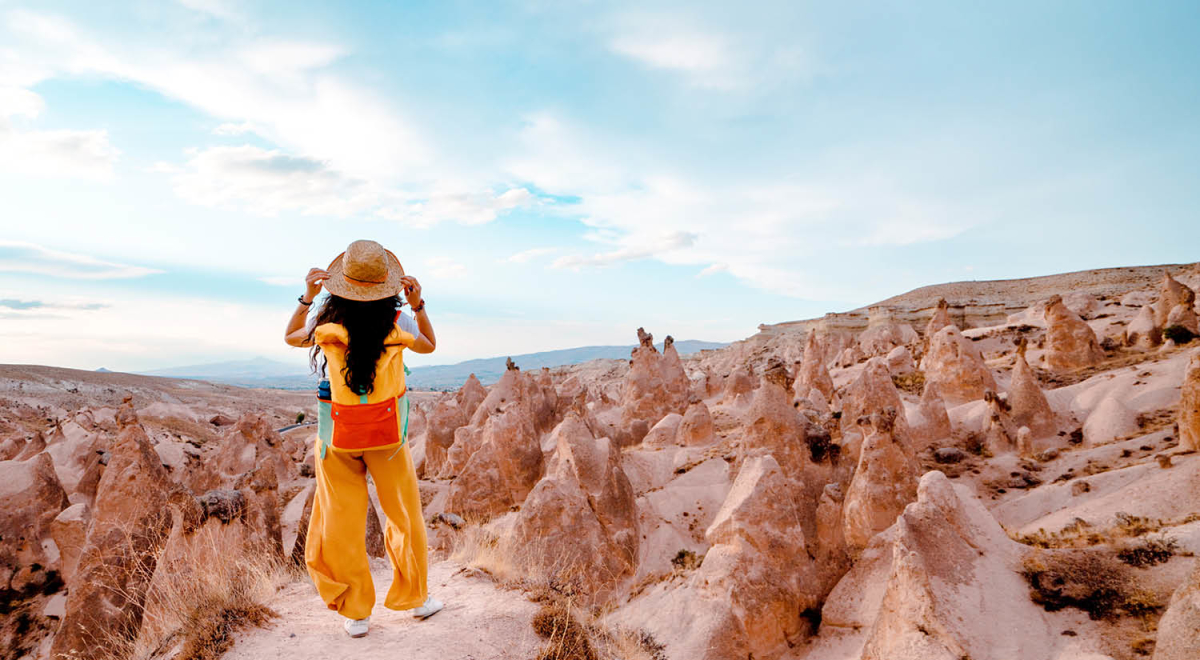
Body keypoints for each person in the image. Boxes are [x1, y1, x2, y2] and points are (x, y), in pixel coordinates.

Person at [284, 239, 442, 638]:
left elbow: (290, 337)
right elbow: (428, 345)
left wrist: (307, 296)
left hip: (338, 436)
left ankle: (356, 612)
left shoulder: (324, 325)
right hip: (387, 437)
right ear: (387, 287)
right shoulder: (399, 325)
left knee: (342, 521)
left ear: (341, 285)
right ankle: (416, 599)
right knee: (404, 515)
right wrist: (418, 305)